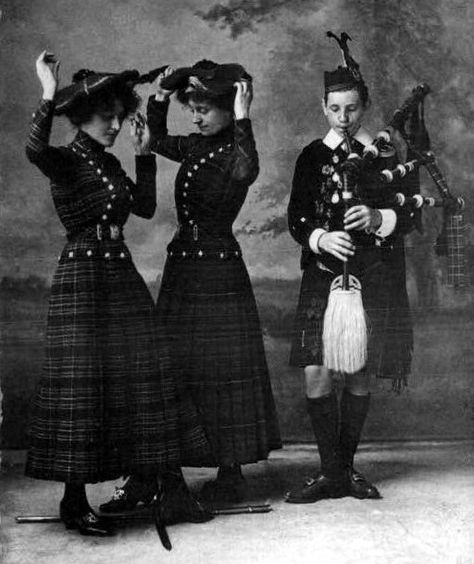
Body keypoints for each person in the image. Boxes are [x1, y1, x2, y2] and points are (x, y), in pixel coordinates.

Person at [25, 51, 210, 536]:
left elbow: (145, 208)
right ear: (82, 118)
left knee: (150, 375)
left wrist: (145, 153)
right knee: (85, 386)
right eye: (107, 117)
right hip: (83, 282)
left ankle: (170, 490)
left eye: (119, 116)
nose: (114, 125)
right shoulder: (64, 161)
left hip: (120, 275)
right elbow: (32, 149)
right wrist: (48, 90)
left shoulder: (108, 163)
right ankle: (73, 501)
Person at [102, 60, 282, 508]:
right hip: (184, 268)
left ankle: (230, 471)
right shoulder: (198, 146)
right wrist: (162, 98)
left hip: (219, 271)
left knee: (223, 370)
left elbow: (245, 171)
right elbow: (157, 140)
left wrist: (244, 116)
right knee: (174, 366)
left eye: (205, 108)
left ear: (228, 108)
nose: (198, 116)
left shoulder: (235, 152)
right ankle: (157, 472)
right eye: (193, 107)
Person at [286, 33, 417, 503]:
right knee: (317, 372)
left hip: (370, 276)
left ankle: (344, 470)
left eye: (353, 109)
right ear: (324, 107)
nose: (344, 119)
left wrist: (379, 217)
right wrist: (321, 236)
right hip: (323, 276)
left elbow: (412, 215)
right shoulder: (311, 157)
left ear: (364, 107)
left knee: (358, 372)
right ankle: (330, 473)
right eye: (335, 109)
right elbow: (295, 217)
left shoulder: (383, 156)